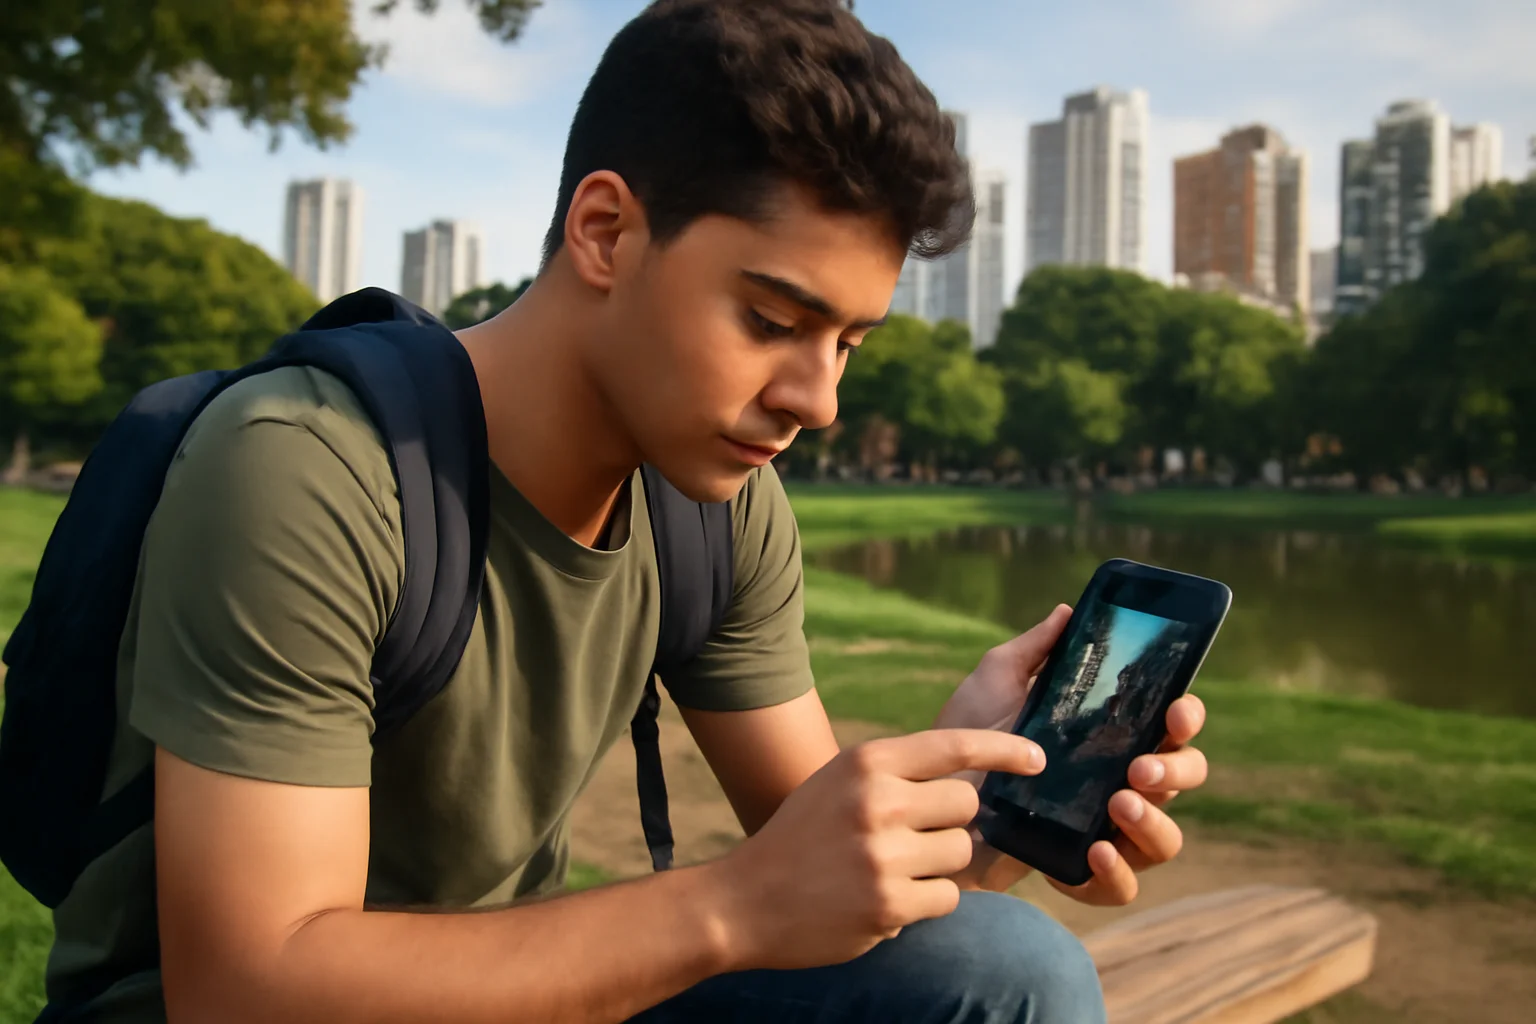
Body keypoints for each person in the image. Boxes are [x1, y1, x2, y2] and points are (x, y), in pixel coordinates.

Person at [43, 1, 1208, 1021]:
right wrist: (726, 907)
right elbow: (248, 992)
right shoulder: (311, 467)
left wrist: (997, 792)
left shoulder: (719, 499)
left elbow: (836, 884)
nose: (818, 398)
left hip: (535, 995)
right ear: (605, 231)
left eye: (847, 341)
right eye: (771, 319)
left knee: (1006, 966)